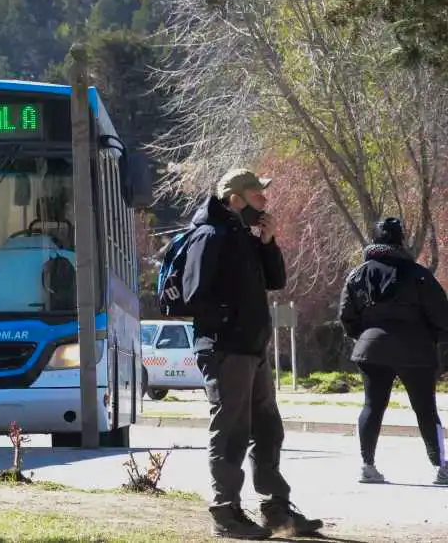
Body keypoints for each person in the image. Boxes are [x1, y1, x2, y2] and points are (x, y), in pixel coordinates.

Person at [181, 169, 322, 539]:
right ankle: (225, 513)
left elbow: (275, 281)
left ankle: (276, 510)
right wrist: (233, 323)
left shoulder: (244, 236)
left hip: (253, 349)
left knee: (267, 429)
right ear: (235, 199)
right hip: (226, 349)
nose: (265, 201)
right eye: (258, 195)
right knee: (231, 431)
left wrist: (268, 242)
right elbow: (194, 296)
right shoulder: (210, 234)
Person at [338, 217, 448, 486]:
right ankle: (441, 467)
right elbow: (442, 315)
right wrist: (433, 338)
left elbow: (346, 314)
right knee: (425, 409)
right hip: (415, 349)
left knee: (372, 406)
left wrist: (363, 336)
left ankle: (367, 465)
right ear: (401, 240)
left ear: (374, 239)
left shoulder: (358, 274)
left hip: (371, 349)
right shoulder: (419, 275)